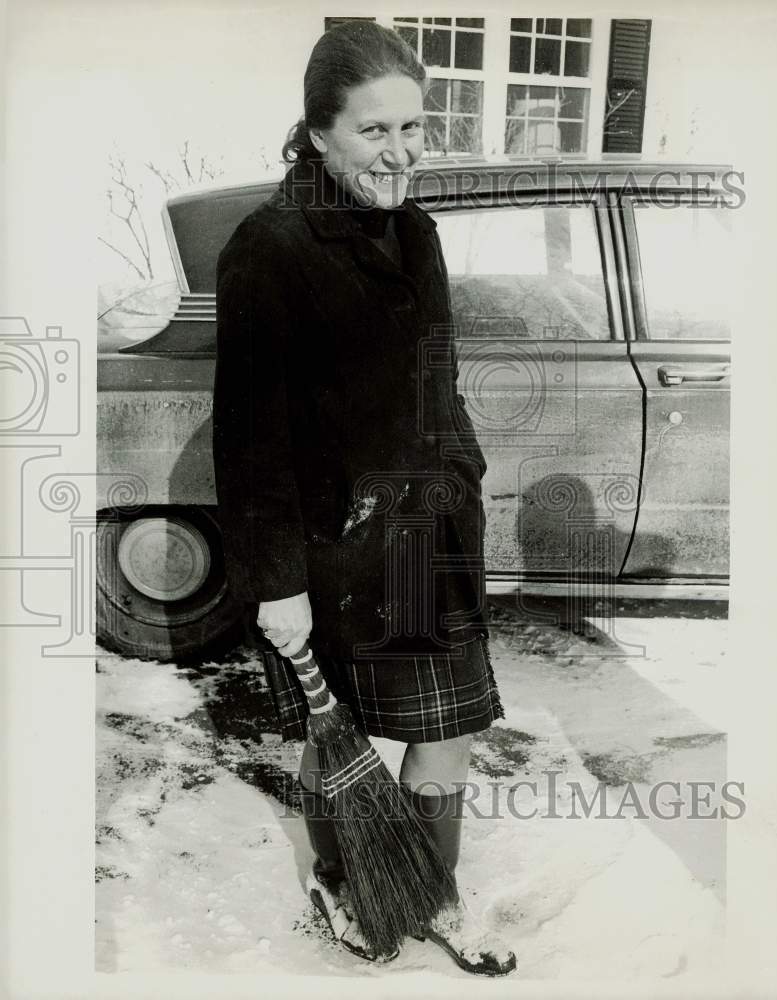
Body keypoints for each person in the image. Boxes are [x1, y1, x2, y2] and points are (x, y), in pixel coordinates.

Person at [212, 21, 515, 976]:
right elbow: (249, 440)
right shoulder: (269, 247)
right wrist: (279, 582)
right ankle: (347, 884)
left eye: (414, 129)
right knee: (333, 734)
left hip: (430, 537)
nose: (401, 152)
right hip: (336, 549)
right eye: (374, 132)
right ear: (316, 132)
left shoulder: (414, 229)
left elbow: (439, 377)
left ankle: (431, 893)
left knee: (449, 730)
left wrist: (459, 470)